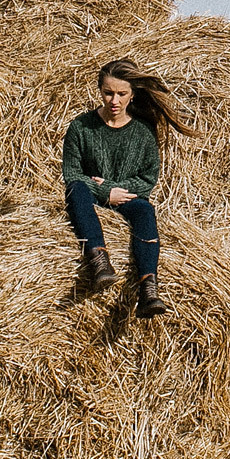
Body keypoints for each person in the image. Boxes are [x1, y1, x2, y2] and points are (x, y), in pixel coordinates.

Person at [61, 59, 192, 319]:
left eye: (122, 94)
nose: (115, 100)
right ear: (99, 91)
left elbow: (147, 179)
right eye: (108, 93)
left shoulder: (143, 132)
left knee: (145, 211)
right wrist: (104, 193)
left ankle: (148, 289)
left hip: (128, 198)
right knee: (76, 189)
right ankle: (99, 262)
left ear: (132, 95)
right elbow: (72, 174)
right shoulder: (80, 127)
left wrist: (113, 189)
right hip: (90, 196)